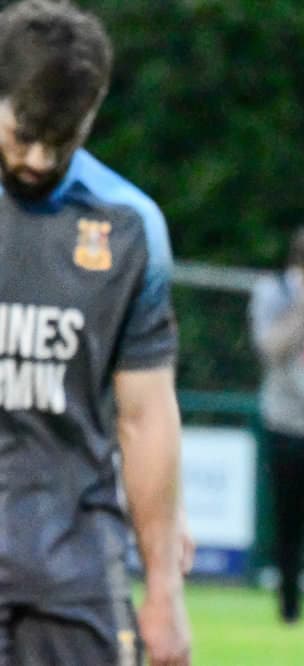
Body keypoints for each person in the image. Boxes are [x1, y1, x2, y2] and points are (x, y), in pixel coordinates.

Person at [0, 1, 190, 664]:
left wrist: (163, 587)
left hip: (74, 559)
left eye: (61, 140)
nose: (37, 158)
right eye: (23, 133)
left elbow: (146, 414)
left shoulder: (130, 226)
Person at [249, 224, 304, 625]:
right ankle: (288, 607)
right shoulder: (272, 293)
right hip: (284, 421)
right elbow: (269, 348)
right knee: (287, 521)